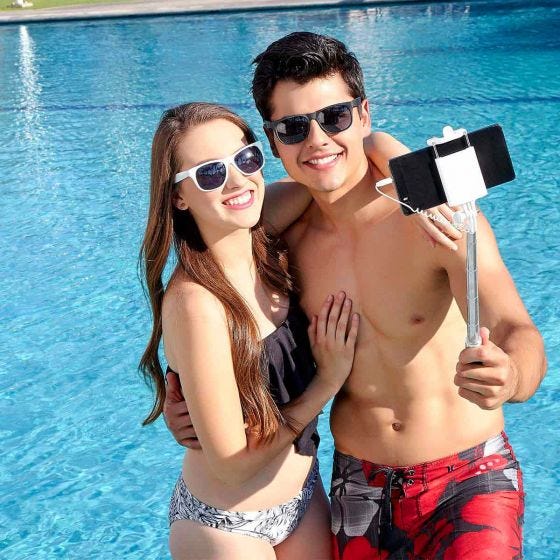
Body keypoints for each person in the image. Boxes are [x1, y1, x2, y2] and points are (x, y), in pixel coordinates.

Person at [165, 33, 547, 559]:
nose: (318, 140)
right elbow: (206, 264)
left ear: (364, 115)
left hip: (468, 478)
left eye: (336, 117)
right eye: (294, 128)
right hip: (357, 486)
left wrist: (513, 376)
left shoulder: (438, 220)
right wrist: (185, 397)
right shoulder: (278, 243)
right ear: (273, 144)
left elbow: (516, 329)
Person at [138, 102, 364, 560]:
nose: (237, 181)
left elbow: (330, 172)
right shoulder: (197, 304)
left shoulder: (262, 239)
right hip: (226, 524)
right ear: (178, 196)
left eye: (246, 158)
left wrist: (385, 146)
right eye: (209, 173)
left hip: (302, 500)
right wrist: (328, 380)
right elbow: (233, 468)